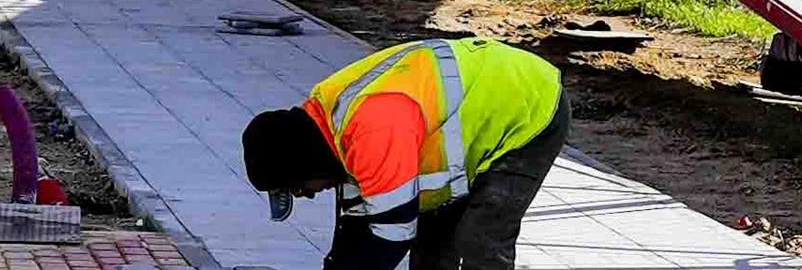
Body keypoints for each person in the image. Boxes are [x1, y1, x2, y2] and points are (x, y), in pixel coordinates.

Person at [242, 37, 569, 270]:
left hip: (526, 107)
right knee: (430, 241)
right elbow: (357, 230)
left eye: (301, 189)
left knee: (480, 240)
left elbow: (391, 237)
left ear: (305, 164)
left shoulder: (374, 128)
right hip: (480, 112)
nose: (312, 195)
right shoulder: (332, 131)